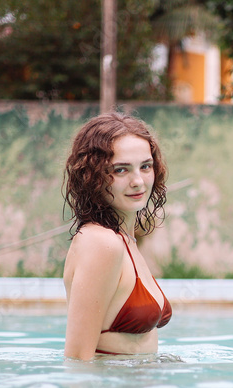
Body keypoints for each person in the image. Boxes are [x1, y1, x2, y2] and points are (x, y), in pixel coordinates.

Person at [62, 112, 172, 360]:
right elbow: (78, 359)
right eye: (121, 170)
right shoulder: (101, 242)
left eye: (145, 166)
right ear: (92, 177)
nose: (138, 181)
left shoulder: (125, 238)